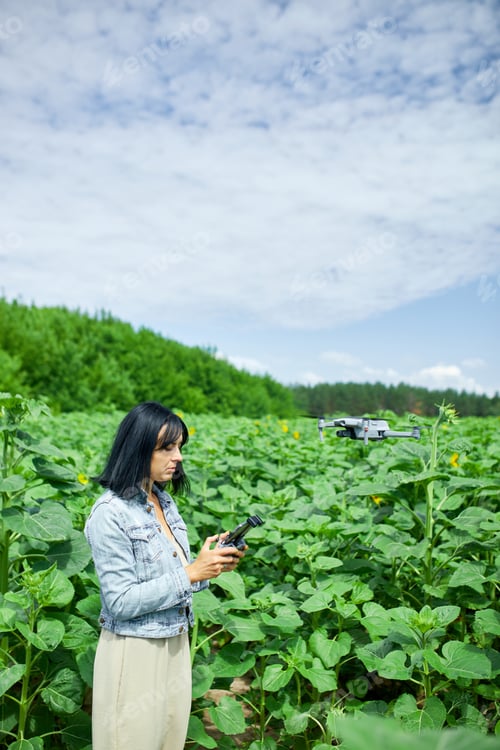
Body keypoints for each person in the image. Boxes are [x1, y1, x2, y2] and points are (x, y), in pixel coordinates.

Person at [84, 401, 245, 750]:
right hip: (135, 649)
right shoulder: (109, 514)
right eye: (167, 447)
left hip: (174, 642)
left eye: (180, 448)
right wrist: (190, 573)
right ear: (139, 447)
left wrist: (208, 566)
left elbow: (175, 578)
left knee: (167, 741)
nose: (179, 457)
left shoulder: (162, 501)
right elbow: (120, 601)